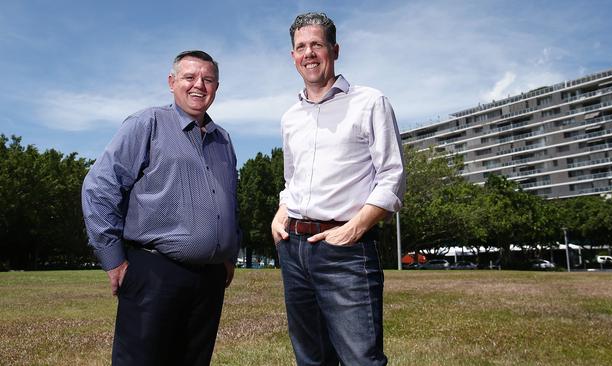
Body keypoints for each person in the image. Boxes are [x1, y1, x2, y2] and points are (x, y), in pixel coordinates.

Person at [81, 50, 240, 366]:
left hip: (209, 281)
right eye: (189, 77)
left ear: (217, 86)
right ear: (172, 82)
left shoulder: (223, 140)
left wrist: (228, 256)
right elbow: (99, 188)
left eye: (208, 79)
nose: (199, 85)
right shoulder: (147, 124)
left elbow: (230, 202)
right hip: (154, 273)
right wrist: (114, 260)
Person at [271, 12, 405, 366]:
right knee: (311, 358)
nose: (309, 53)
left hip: (346, 251)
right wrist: (281, 213)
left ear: (335, 49)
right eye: (301, 47)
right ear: (293, 57)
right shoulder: (290, 117)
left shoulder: (370, 102)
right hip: (293, 251)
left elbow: (392, 176)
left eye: (317, 44)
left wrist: (353, 230)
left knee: (361, 359)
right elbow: (292, 179)